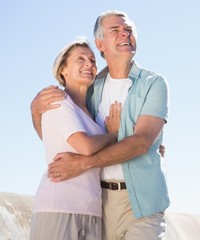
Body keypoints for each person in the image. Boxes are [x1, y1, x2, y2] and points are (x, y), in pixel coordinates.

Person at [31, 10, 170, 240]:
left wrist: (84, 164)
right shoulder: (89, 88)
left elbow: (141, 143)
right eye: (115, 30)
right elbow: (60, 136)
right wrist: (35, 111)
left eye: (128, 30)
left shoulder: (153, 84)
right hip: (99, 206)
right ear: (100, 43)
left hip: (142, 203)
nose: (124, 34)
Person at [30, 38, 122, 239]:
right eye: (80, 59)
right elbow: (86, 147)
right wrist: (113, 134)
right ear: (63, 69)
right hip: (59, 208)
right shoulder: (58, 100)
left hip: (91, 210)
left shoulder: (91, 113)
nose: (89, 63)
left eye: (92, 60)